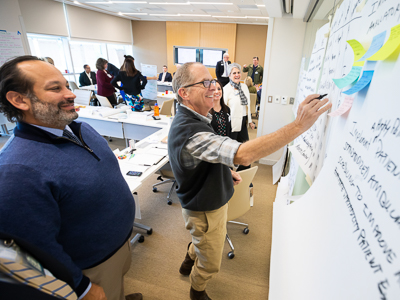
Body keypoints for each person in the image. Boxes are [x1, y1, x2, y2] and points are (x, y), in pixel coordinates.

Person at [169, 62, 331, 300]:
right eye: (204, 82)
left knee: (202, 241)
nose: (213, 86)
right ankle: (197, 289)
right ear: (184, 93)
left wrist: (225, 170)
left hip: (209, 200)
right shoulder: (189, 131)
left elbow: (210, 155)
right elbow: (243, 154)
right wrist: (298, 126)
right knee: (211, 261)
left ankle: (189, 259)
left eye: (212, 80)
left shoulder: (198, 118)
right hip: (204, 208)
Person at [0, 55, 143, 300]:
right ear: (18, 100)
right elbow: (33, 248)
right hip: (90, 266)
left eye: (66, 85)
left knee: (117, 288)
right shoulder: (17, 169)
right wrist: (81, 287)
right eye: (55, 88)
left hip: (118, 244)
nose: (71, 94)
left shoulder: (79, 128)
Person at [223, 63, 255, 144]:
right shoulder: (226, 89)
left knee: (245, 145)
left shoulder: (244, 87)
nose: (237, 75)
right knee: (232, 146)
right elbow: (223, 109)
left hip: (243, 121)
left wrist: (250, 121)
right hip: (232, 122)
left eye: (238, 72)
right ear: (229, 75)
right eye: (234, 73)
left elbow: (248, 106)